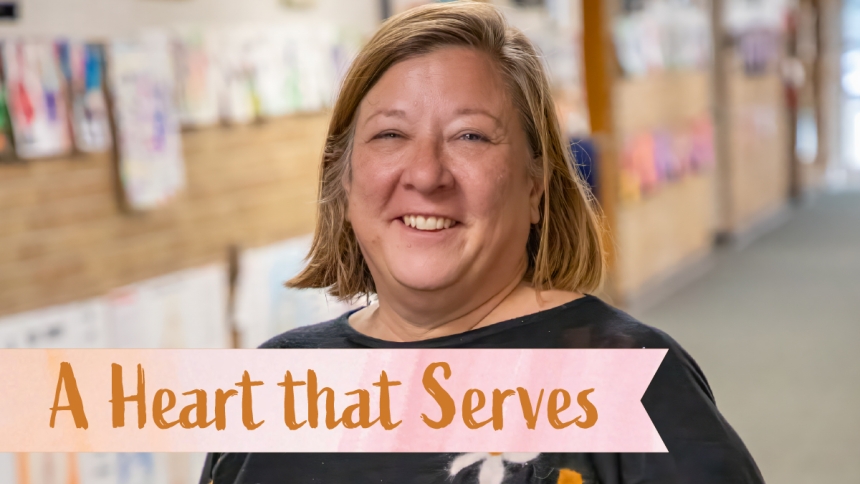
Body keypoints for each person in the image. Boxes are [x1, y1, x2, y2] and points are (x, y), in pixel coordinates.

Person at [201, 2, 764, 483]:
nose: (426, 174)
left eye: (469, 136)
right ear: (343, 183)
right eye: (390, 135)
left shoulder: (628, 375)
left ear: (535, 186)